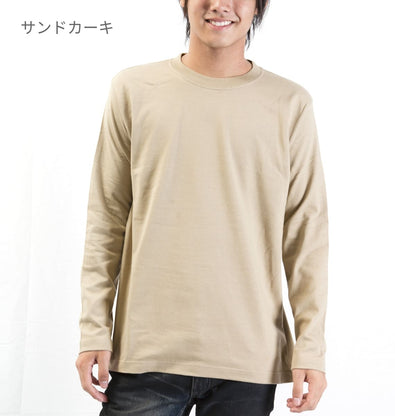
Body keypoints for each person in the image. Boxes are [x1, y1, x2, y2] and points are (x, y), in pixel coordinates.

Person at [75, 0, 329, 414]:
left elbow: (306, 233)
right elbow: (106, 218)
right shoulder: (134, 89)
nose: (220, 5)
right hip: (146, 351)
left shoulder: (289, 103)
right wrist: (93, 329)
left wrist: (311, 348)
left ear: (258, 6)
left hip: (249, 356)